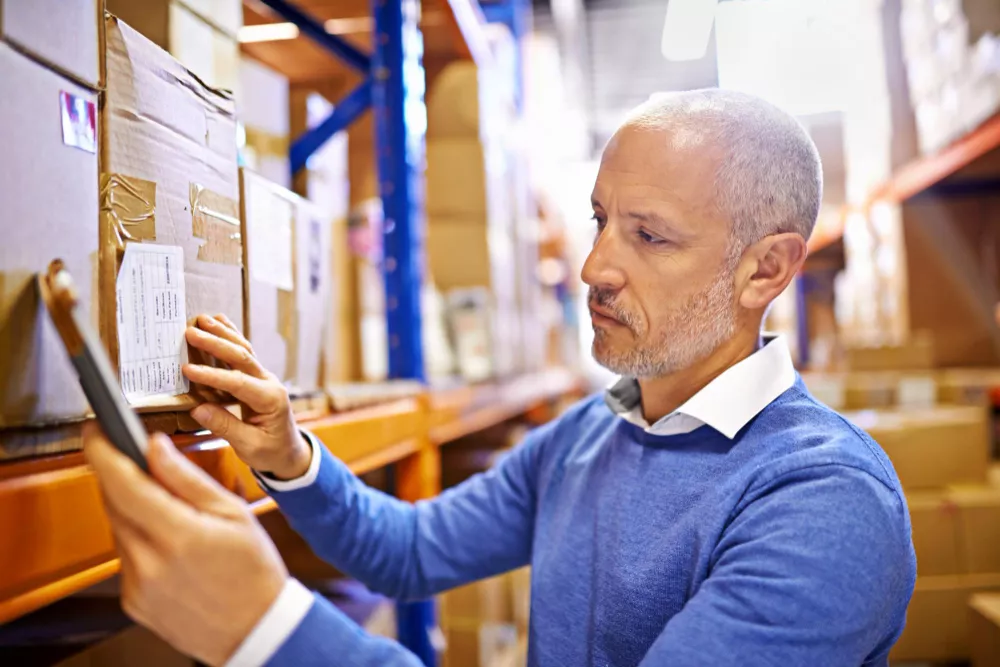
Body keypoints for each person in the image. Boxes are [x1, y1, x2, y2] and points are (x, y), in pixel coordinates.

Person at [83, 89, 916, 667]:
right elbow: (406, 550)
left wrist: (269, 628)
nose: (595, 266)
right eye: (600, 221)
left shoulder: (822, 502)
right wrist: (287, 451)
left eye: (649, 237)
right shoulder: (593, 436)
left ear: (765, 270)